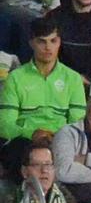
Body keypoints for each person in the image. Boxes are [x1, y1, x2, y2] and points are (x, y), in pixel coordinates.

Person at [0, 17, 86, 172]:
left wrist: (57, 137)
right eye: (42, 41)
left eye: (53, 41)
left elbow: (78, 123)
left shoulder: (72, 78)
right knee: (19, 152)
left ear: (60, 42)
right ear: (31, 42)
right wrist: (32, 134)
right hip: (25, 142)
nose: (48, 47)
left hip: (60, 141)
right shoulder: (15, 77)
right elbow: (5, 125)